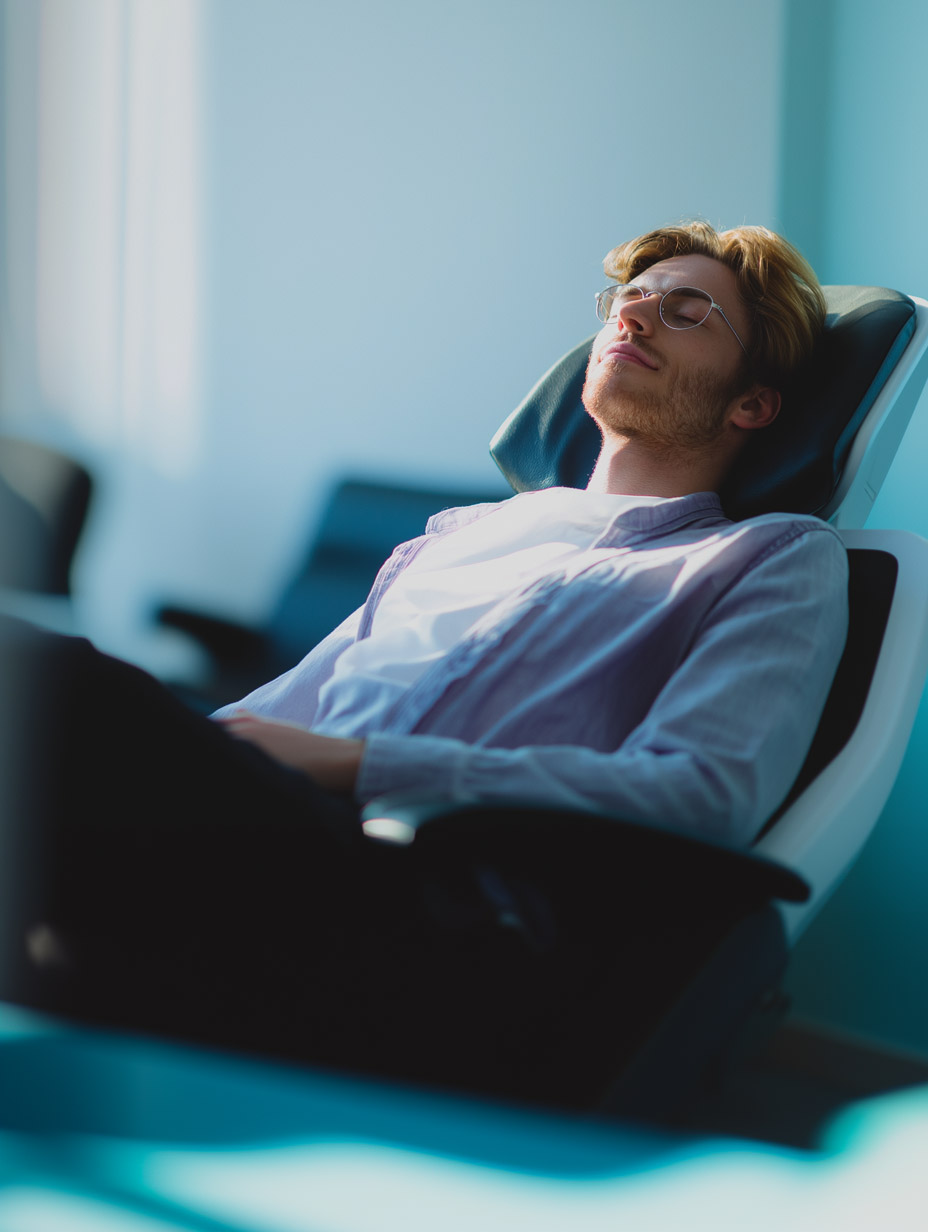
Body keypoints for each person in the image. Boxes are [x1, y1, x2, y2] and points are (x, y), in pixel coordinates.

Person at [0, 221, 848, 1106]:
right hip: (283, 846)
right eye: (630, 300)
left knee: (43, 686)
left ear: (752, 403)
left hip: (448, 907)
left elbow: (703, 792)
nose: (635, 320)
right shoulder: (460, 536)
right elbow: (274, 713)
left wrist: (359, 762)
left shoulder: (771, 556)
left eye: (686, 312)